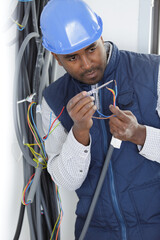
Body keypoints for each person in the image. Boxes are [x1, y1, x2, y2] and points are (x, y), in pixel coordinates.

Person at [40, 0, 160, 239]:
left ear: (101, 37)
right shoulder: (53, 101)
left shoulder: (152, 71)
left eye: (91, 49)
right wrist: (79, 133)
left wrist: (140, 134)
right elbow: (66, 180)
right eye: (72, 58)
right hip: (96, 231)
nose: (87, 65)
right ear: (56, 57)